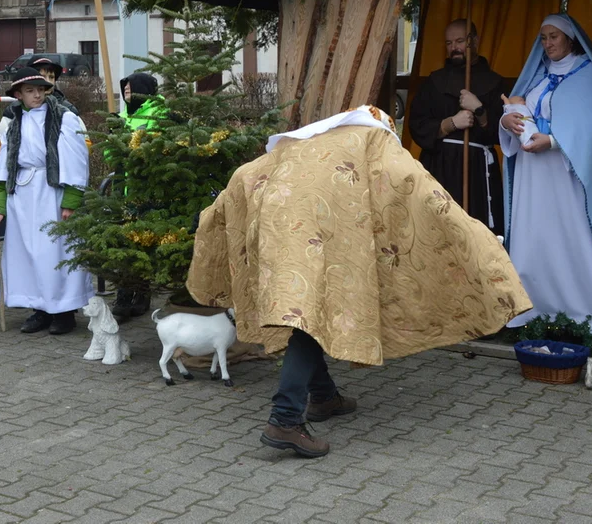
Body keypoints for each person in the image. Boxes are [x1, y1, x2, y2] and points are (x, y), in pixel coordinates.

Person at [187, 105, 530, 457]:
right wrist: (474, 238)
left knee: (303, 309)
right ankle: (285, 420)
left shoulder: (313, 138)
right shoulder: (376, 139)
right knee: (311, 313)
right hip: (312, 226)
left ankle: (323, 397)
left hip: (270, 217)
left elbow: (247, 174)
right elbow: (419, 190)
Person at [499, 14, 592, 338]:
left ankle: (584, 315)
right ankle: (533, 310)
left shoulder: (589, 76)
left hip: (569, 175)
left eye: (553, 37)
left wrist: (554, 141)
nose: (547, 44)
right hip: (532, 177)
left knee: (572, 240)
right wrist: (507, 123)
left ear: (570, 39)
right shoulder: (536, 75)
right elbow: (515, 110)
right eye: (543, 38)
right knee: (533, 239)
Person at [0, 67, 91, 335]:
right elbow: (4, 167)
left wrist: (71, 199)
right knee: (27, 254)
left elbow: (77, 158)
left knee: (55, 252)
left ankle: (63, 312)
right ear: (18, 94)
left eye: (40, 90)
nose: (37, 95)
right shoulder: (14, 123)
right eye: (30, 91)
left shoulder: (63, 118)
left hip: (51, 192)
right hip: (22, 195)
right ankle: (40, 309)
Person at [406, 19, 507, 234]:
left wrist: (480, 111)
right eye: (449, 43)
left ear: (475, 41)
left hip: (478, 171)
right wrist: (450, 123)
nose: (454, 48)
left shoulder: (495, 83)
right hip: (440, 166)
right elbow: (417, 124)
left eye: (460, 41)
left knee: (477, 233)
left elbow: (503, 131)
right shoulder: (435, 82)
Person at [109, 71, 167, 323]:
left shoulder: (158, 113)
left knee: (143, 242)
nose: (127, 94)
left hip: (146, 187)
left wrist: (130, 146)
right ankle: (123, 295)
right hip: (124, 187)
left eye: (132, 89)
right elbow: (112, 157)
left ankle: (141, 295)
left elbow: (154, 148)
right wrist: (114, 139)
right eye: (125, 90)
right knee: (124, 241)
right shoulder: (122, 117)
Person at [0, 56, 79, 161]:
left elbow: (81, 144)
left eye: (51, 77)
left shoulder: (67, 111)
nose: (48, 81)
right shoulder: (13, 111)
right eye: (42, 76)